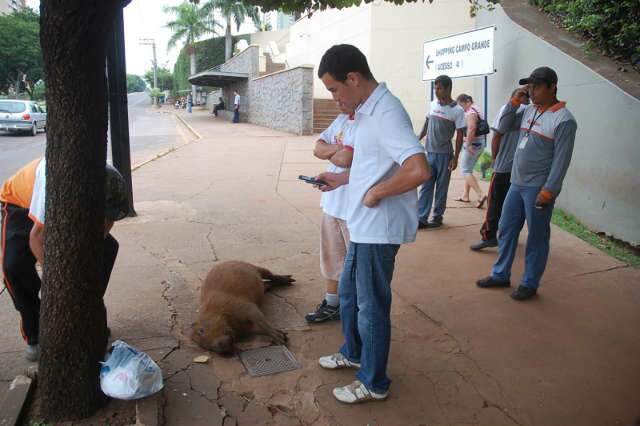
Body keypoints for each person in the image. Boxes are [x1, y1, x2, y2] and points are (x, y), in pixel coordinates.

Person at [314, 44, 430, 404]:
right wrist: (342, 180)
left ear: (353, 78)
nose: (334, 97)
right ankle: (354, 352)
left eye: (334, 89)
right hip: (362, 224)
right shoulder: (367, 111)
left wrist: (377, 192)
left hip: (378, 229)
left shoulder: (386, 113)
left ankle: (374, 381)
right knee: (349, 294)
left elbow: (418, 169)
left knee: (371, 305)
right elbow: (373, 165)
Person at [0, 159, 129, 361]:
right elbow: (36, 238)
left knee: (109, 248)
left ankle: (88, 312)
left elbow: (106, 223)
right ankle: (35, 334)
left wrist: (87, 266)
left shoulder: (110, 182)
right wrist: (60, 281)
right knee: (14, 266)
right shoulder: (54, 186)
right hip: (21, 203)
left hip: (75, 200)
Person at [476, 67, 577, 301]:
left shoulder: (564, 119)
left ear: (552, 86)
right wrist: (514, 101)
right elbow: (503, 125)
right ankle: (500, 274)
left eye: (537, 86)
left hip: (537, 188)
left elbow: (562, 161)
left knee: (537, 237)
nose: (531, 91)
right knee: (507, 229)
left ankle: (530, 282)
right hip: (516, 182)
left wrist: (549, 190)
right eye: (529, 86)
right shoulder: (529, 110)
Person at [305, 103, 355, 324]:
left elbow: (347, 160)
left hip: (354, 208)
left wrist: (333, 151)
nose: (336, 99)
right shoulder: (341, 120)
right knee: (332, 259)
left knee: (356, 268)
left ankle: (354, 310)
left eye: (336, 91)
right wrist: (338, 149)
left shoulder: (367, 122)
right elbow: (317, 148)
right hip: (332, 203)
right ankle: (332, 304)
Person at [470, 88, 530, 251]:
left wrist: (495, 159)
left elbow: (497, 135)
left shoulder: (512, 109)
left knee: (496, 203)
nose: (523, 98)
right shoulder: (530, 112)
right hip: (517, 168)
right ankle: (509, 235)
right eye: (520, 95)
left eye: (525, 95)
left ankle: (489, 236)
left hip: (505, 167)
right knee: (512, 205)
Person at [416, 75, 465, 228]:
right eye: (435, 88)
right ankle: (421, 218)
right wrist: (418, 138)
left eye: (439, 88)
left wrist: (455, 158)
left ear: (448, 89)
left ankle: (437, 217)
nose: (436, 91)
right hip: (429, 153)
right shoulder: (433, 105)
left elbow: (460, 136)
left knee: (442, 187)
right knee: (426, 185)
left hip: (445, 155)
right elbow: (427, 122)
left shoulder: (457, 111)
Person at [455, 94, 487, 208]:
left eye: (461, 104)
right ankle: (465, 195)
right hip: (478, 143)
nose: (460, 107)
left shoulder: (471, 112)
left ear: (467, 101)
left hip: (473, 144)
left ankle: (481, 194)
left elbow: (472, 128)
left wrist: (468, 144)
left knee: (464, 170)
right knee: (468, 169)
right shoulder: (475, 109)